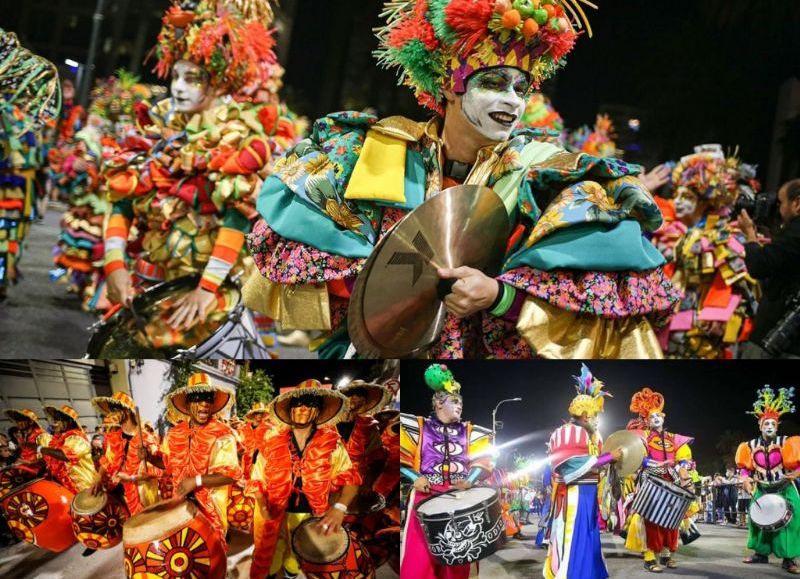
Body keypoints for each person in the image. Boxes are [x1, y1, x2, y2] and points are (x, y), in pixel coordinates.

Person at [244, 0, 679, 359]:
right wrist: (380, 283)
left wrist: (498, 296)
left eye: (521, 88)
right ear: (449, 84)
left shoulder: (546, 174)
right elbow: (291, 252)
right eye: (493, 82)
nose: (511, 100)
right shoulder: (373, 151)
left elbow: (603, 307)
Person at [102, 0, 295, 347]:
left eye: (192, 78)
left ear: (220, 83)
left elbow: (238, 217)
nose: (178, 87)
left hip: (213, 294)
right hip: (149, 285)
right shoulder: (149, 132)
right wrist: (114, 263)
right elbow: (122, 202)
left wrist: (206, 290)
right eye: (175, 76)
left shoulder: (239, 142)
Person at [246, 379, 362, 579]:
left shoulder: (332, 444)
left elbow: (351, 479)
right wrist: (262, 504)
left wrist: (340, 508)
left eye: (310, 403)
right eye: (297, 403)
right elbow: (256, 478)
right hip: (273, 515)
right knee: (268, 560)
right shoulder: (272, 441)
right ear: (290, 409)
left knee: (297, 560)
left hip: (311, 516)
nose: (302, 408)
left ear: (317, 411)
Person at [665, 145, 760, 358]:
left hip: (701, 330)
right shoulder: (682, 233)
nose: (677, 202)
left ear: (705, 202)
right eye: (676, 195)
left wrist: (719, 317)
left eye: (687, 196)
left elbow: (738, 283)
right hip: (674, 323)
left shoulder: (721, 236)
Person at [399, 363, 492, 578]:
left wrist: (470, 480)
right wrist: (416, 477)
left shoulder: (470, 431)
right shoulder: (418, 427)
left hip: (460, 499)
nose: (460, 406)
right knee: (420, 561)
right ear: (439, 403)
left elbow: (483, 461)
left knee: (458, 562)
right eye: (455, 401)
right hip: (425, 496)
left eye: (461, 402)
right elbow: (401, 457)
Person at [144, 372, 241, 547]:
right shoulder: (174, 434)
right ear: (188, 404)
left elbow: (231, 475)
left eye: (208, 398)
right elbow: (168, 465)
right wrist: (149, 457)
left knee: (212, 551)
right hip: (180, 505)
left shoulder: (223, 434)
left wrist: (195, 481)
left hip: (211, 509)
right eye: (197, 397)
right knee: (185, 550)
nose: (204, 403)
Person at [545, 364, 622, 579]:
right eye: (596, 414)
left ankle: (588, 572)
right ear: (586, 415)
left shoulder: (592, 435)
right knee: (573, 538)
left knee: (588, 537)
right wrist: (608, 457)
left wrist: (611, 462)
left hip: (587, 494)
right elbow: (570, 466)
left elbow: (594, 463)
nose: (598, 419)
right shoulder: (567, 432)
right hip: (573, 495)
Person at [626, 387, 694, 572]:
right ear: (647, 421)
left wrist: (683, 468)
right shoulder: (643, 437)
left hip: (671, 483)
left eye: (659, 416)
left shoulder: (675, 439)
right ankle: (649, 557)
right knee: (651, 522)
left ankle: (666, 555)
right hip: (651, 482)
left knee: (672, 520)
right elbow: (639, 458)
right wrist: (658, 464)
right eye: (652, 417)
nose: (656, 419)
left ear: (663, 418)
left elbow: (684, 459)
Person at [736, 386, 800, 574]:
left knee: (790, 523)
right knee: (758, 522)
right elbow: (745, 469)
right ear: (760, 426)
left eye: (773, 424)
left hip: (784, 488)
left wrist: (797, 473)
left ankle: (789, 559)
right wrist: (746, 480)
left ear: (777, 425)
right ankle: (760, 554)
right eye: (766, 424)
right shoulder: (749, 446)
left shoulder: (787, 442)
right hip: (762, 488)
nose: (770, 427)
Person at [739, 178, 800, 358]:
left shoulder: (797, 230)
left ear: (797, 202)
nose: (778, 210)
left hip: (778, 342)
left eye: (780, 203)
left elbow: (760, 265)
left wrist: (750, 234)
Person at [89, 391, 161, 515]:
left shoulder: (146, 438)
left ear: (127, 411)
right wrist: (99, 478)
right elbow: (107, 461)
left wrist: (130, 478)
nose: (111, 414)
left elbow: (155, 471)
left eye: (114, 409)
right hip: (121, 492)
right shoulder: (114, 437)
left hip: (142, 494)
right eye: (110, 410)